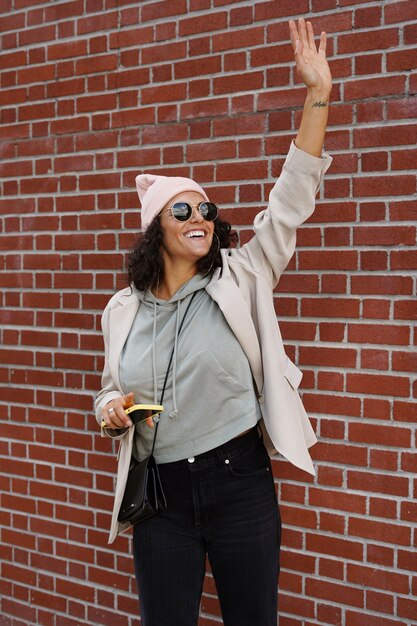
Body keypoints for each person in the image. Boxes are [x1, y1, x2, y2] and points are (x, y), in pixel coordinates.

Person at [95, 17, 333, 626]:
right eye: (183, 209)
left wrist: (317, 97)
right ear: (158, 229)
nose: (199, 214)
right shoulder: (122, 310)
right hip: (161, 497)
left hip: (238, 482)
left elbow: (290, 200)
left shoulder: (243, 274)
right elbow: (108, 388)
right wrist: (109, 409)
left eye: (205, 206)